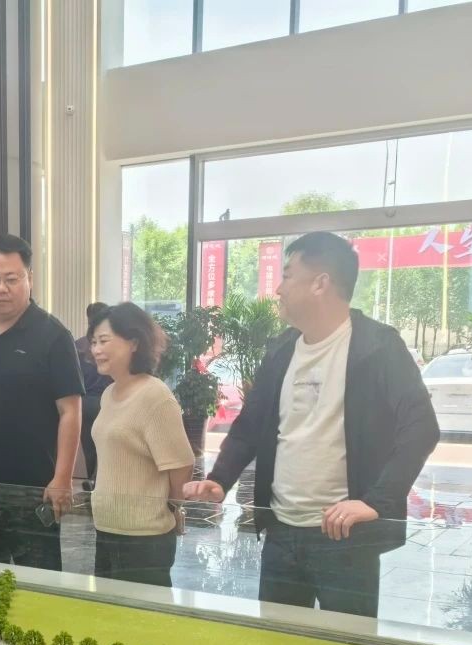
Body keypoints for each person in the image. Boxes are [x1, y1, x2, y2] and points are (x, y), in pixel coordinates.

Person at [184, 232, 440, 618]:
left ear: (321, 283)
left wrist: (376, 502)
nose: (278, 288)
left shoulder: (378, 346)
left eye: (288, 275)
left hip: (344, 538)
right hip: (281, 533)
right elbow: (251, 424)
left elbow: (421, 427)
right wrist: (220, 479)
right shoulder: (281, 349)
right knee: (278, 644)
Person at [0, 234, 84, 571]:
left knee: (37, 585)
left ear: (29, 278)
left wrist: (62, 478)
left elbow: (70, 411)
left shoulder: (54, 336)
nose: (1, 289)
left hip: (34, 489)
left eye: (11, 279)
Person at [88, 302, 193, 588]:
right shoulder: (109, 393)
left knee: (141, 615)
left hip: (145, 538)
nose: (96, 349)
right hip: (106, 528)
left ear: (134, 342)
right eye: (94, 342)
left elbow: (181, 464)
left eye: (104, 341)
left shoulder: (155, 396)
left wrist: (170, 507)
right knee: (107, 611)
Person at [74, 301, 113, 487]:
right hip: (106, 402)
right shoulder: (109, 345)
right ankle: (100, 481)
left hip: (83, 403)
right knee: (106, 444)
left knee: (88, 445)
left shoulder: (78, 345)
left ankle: (90, 480)